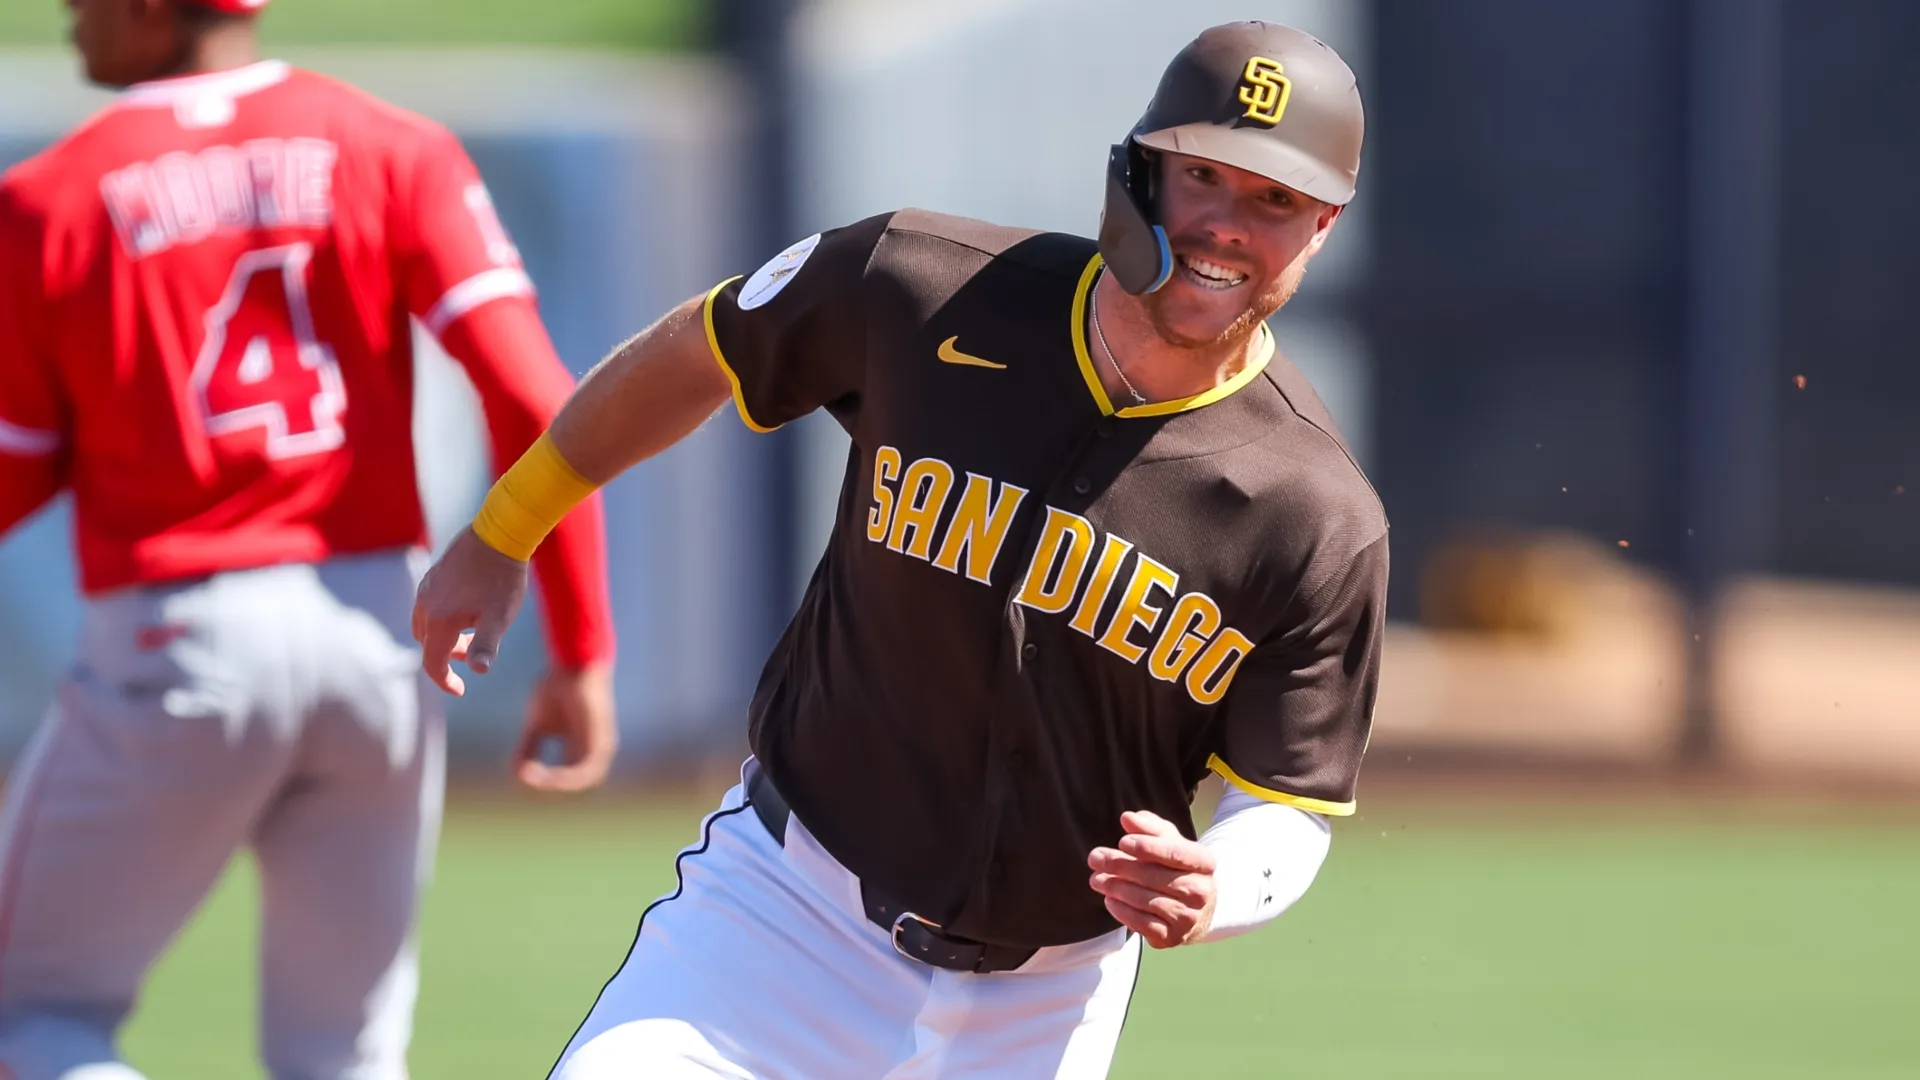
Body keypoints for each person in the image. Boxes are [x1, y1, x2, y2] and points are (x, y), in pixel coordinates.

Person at [415, 19, 1384, 1080]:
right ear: (1139, 170)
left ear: (1324, 226)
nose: (1226, 225)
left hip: (1044, 1005)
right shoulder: (923, 286)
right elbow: (701, 351)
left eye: (1274, 199)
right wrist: (506, 529)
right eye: (1202, 175)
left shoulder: (1317, 513)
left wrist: (1222, 884)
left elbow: (1286, 800)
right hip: (778, 926)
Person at [0, 0, 619, 1076]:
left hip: (176, 637)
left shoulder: (48, 198)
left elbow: (20, 461)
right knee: (345, 1056)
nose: (67, 12)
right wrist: (581, 646)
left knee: (29, 1020)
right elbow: (535, 397)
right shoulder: (393, 145)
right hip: (380, 636)